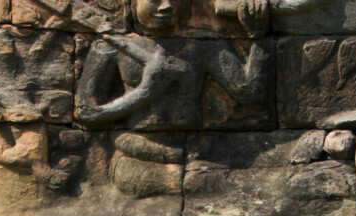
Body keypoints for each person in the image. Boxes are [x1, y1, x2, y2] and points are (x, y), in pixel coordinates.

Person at [72, 0, 272, 129]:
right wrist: (146, 90)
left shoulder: (202, 46)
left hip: (201, 155)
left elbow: (251, 93)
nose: (167, 6)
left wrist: (256, 37)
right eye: (155, 0)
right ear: (132, 4)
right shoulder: (110, 46)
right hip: (137, 156)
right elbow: (87, 111)